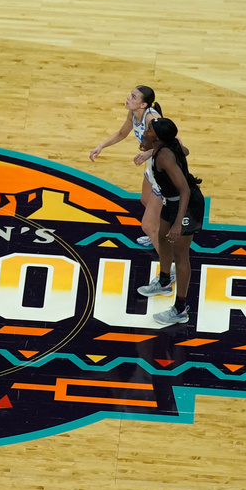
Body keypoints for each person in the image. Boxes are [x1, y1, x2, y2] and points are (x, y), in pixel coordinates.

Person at [136, 119, 204, 326]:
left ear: (157, 137)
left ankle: (180, 309)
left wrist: (177, 224)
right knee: (161, 239)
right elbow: (185, 149)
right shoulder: (164, 148)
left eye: (148, 130)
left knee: (181, 255)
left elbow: (183, 189)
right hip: (171, 201)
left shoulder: (164, 156)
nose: (144, 132)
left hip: (187, 204)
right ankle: (165, 281)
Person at [89, 86, 163, 249]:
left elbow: (175, 143)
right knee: (144, 199)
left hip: (162, 167)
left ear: (143, 105)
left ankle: (169, 262)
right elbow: (122, 133)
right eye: (130, 95)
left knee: (148, 225)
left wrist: (148, 153)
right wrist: (101, 146)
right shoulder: (133, 113)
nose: (128, 98)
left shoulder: (152, 119)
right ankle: (159, 231)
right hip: (151, 164)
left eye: (134, 97)